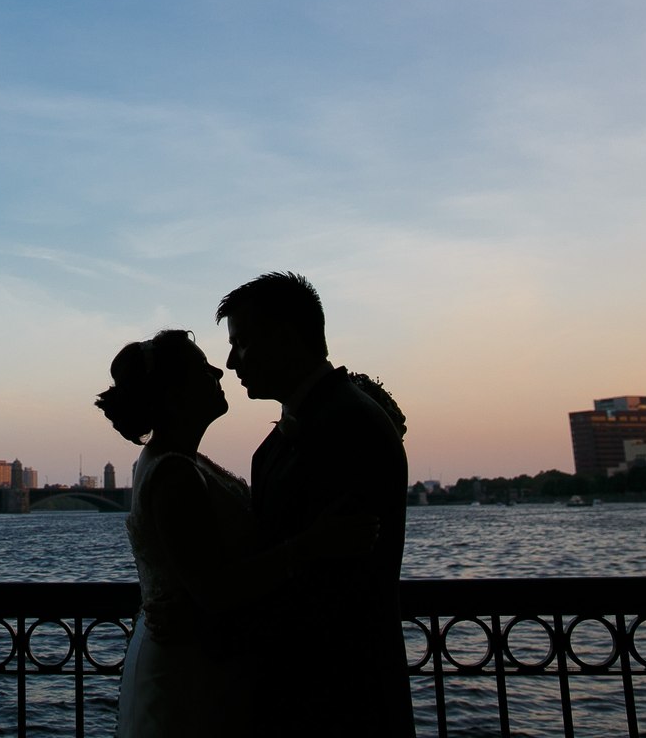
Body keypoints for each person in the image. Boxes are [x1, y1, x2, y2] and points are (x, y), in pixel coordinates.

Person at [97, 329, 373, 738]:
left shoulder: (176, 460)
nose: (218, 371)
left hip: (194, 653)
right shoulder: (175, 474)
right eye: (201, 367)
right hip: (191, 666)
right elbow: (216, 589)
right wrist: (312, 544)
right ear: (176, 393)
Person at [217, 271, 416, 737]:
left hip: (338, 702)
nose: (230, 361)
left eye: (241, 342)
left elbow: (335, 583)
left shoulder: (350, 426)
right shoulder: (308, 425)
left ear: (284, 337)